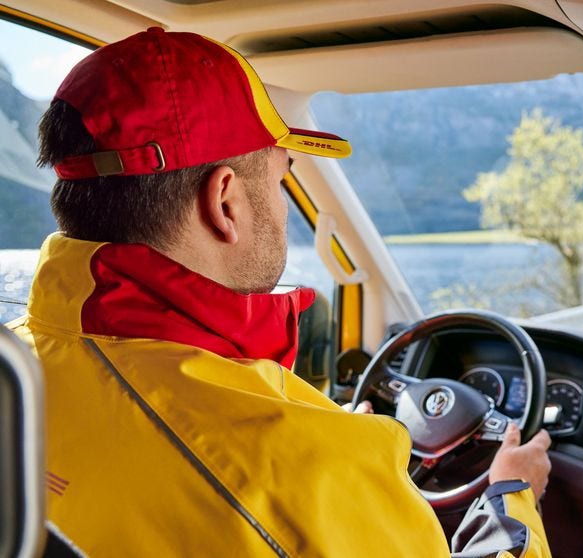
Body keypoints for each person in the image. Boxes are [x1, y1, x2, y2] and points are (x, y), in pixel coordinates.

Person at [9, 27, 552, 556]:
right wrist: (511, 499)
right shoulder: (309, 472)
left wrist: (324, 439)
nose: (284, 206)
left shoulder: (14, 366)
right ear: (225, 202)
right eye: (281, 178)